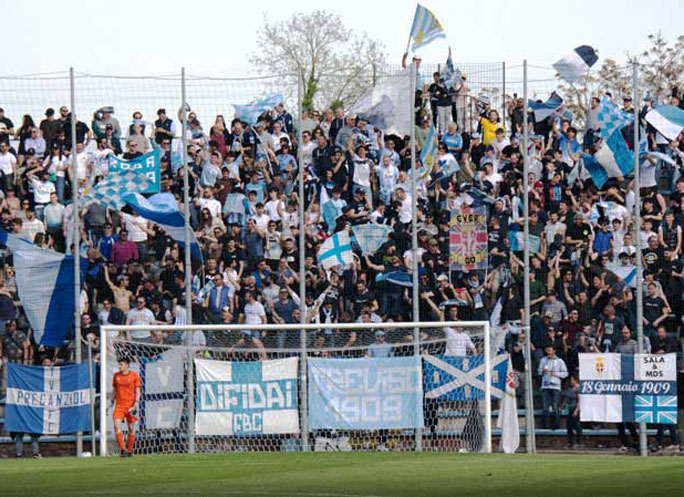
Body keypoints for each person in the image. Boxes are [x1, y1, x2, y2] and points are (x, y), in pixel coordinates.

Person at [111, 357, 141, 457]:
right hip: (119, 405)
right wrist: (111, 402)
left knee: (131, 429)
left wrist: (136, 403)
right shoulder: (116, 376)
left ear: (127, 365)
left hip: (130, 406)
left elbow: (137, 390)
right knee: (116, 426)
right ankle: (123, 449)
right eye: (119, 364)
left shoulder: (134, 375)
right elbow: (114, 390)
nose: (119, 366)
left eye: (121, 364)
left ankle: (130, 450)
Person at [538, 345, 568, 430]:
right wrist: (542, 371)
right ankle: (546, 426)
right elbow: (539, 372)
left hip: (555, 386)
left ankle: (556, 425)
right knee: (545, 407)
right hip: (545, 385)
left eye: (550, 351)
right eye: (547, 350)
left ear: (554, 351)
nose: (549, 352)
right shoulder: (543, 360)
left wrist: (556, 374)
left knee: (555, 406)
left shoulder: (559, 361)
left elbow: (565, 373)